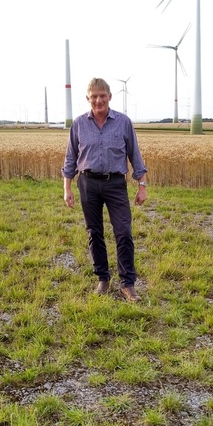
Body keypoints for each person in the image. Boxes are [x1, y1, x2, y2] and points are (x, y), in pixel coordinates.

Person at [62, 78, 148, 301]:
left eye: (102, 95)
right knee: (94, 232)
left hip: (116, 183)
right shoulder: (79, 124)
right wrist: (67, 188)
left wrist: (142, 185)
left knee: (123, 232)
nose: (98, 100)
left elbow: (134, 155)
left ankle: (127, 284)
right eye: (94, 96)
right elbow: (71, 157)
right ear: (88, 99)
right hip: (88, 183)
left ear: (109, 96)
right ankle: (103, 278)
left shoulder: (123, 122)